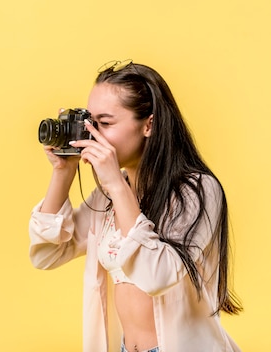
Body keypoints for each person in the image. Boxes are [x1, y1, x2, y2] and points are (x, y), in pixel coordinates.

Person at [28, 60, 242, 352]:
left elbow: (157, 275)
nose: (93, 134)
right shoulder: (107, 196)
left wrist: (116, 184)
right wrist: (63, 172)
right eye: (90, 124)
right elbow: (48, 253)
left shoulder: (198, 191)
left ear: (148, 125)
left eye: (104, 123)